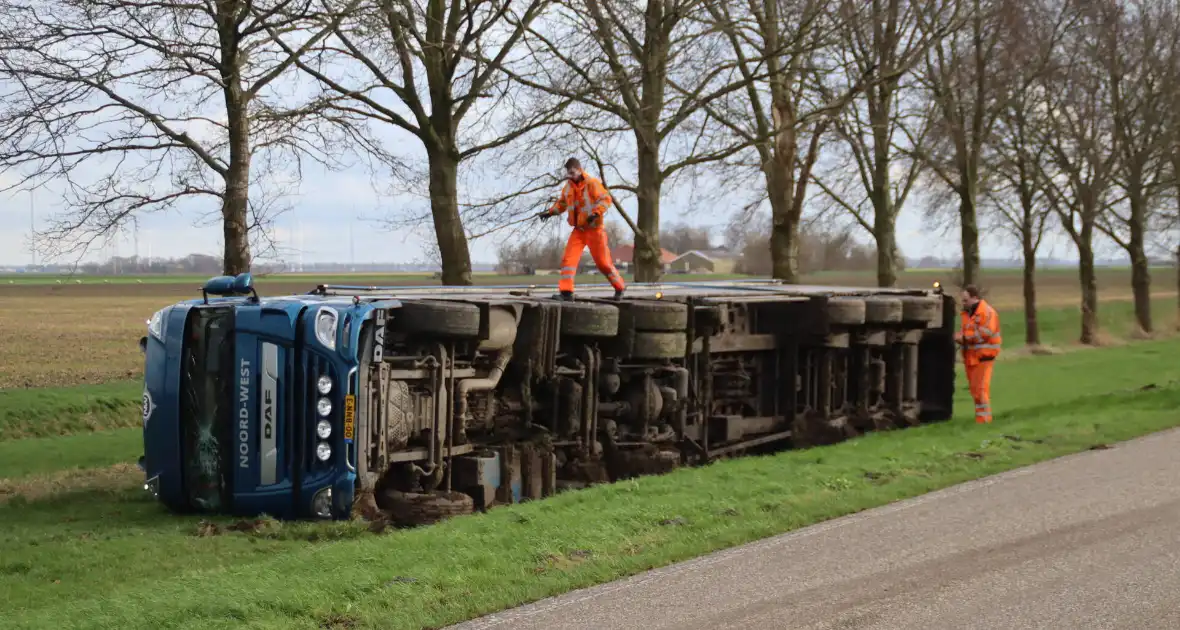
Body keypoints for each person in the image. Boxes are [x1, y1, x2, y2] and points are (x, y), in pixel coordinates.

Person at [536, 158, 626, 300]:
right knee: (568, 261)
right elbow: (561, 204)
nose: (570, 176)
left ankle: (620, 287)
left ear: (579, 169)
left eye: (572, 172)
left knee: (603, 264)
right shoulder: (568, 188)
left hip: (595, 230)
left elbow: (606, 199)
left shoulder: (592, 183)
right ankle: (566, 293)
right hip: (578, 231)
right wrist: (549, 212)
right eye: (568, 173)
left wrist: (596, 213)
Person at [954, 285, 1002, 423]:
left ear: (975, 298)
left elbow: (985, 333)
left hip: (983, 357)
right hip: (972, 357)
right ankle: (981, 418)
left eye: (965, 300)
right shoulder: (969, 313)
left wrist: (963, 338)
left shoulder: (986, 312)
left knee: (980, 390)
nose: (963, 303)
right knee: (975, 390)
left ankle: (984, 420)